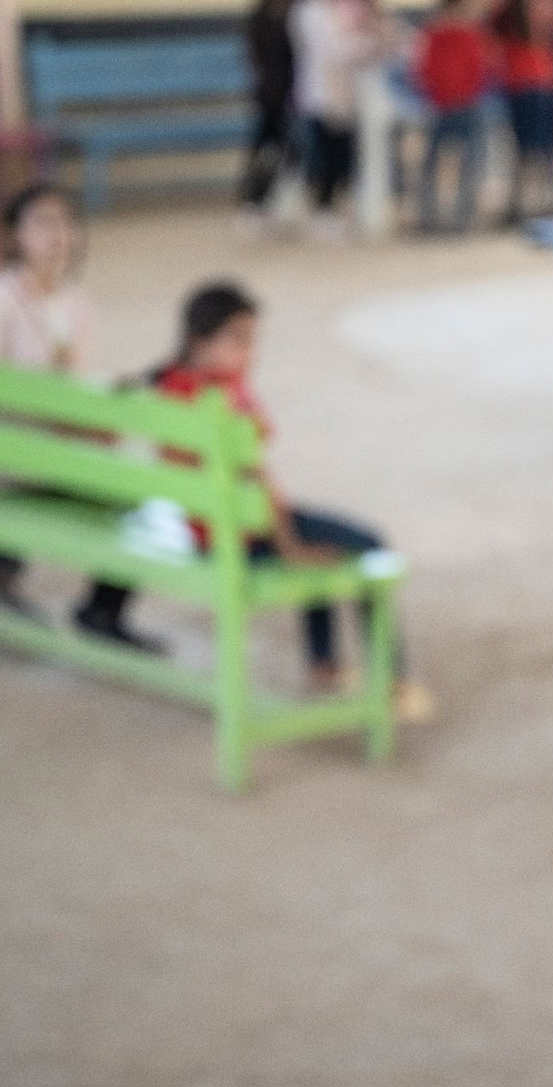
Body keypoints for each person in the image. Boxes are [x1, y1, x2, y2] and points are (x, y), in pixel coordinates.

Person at [155, 283, 434, 720]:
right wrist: (290, 547)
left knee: (320, 540)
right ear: (199, 342)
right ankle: (392, 681)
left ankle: (325, 666)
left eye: (253, 339)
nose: (251, 351)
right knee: (365, 545)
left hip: (207, 529)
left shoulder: (172, 384)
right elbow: (254, 478)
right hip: (243, 534)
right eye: (239, 339)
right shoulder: (221, 400)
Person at [0, 183, 163, 651]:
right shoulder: (7, 301)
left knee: (127, 479)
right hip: (18, 455)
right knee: (128, 484)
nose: (58, 234)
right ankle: (95, 607)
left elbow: (70, 386)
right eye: (42, 223)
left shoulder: (74, 304)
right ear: (15, 236)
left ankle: (100, 606)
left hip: (49, 450)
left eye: (66, 222)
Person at [288, 0, 381, 236]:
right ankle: (321, 210)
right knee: (324, 157)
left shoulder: (339, 9)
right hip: (321, 95)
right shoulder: (309, 12)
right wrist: (367, 44)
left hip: (344, 95)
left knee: (341, 156)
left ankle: (328, 208)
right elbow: (330, 50)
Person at [415, 0, 494, 233]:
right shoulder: (435, 36)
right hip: (443, 107)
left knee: (469, 163)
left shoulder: (469, 35)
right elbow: (423, 70)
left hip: (465, 106)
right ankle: (429, 216)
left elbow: (480, 68)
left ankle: (462, 217)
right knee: (432, 163)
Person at [490, 0, 553, 223]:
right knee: (542, 149)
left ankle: (527, 205)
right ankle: (543, 203)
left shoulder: (509, 12)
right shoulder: (530, 9)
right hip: (538, 82)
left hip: (526, 83)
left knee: (528, 150)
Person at [240, 0, 298, 231]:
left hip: (293, 96)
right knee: (264, 150)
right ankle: (253, 200)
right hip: (271, 96)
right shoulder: (261, 18)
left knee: (290, 152)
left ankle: (274, 202)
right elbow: (260, 59)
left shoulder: (296, 13)